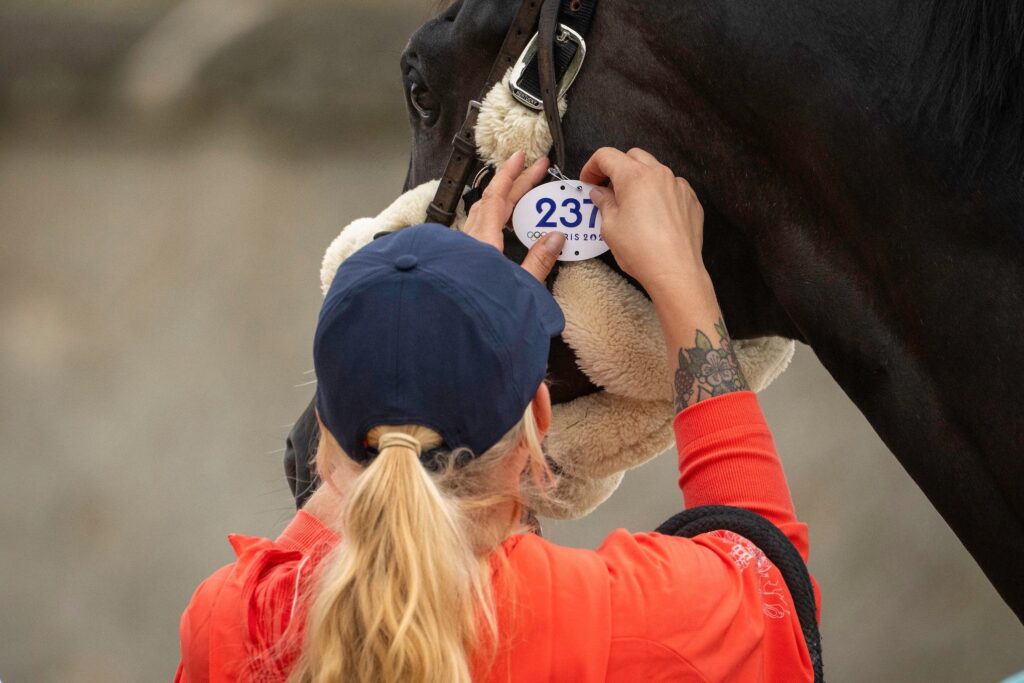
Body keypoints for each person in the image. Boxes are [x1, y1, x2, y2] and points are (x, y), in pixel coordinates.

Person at [174, 148, 819, 682]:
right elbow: (773, 597)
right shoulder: (623, 626)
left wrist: (458, 319)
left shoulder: (227, 629)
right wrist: (681, 277)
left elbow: (347, 521)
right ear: (539, 418)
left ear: (323, 447)